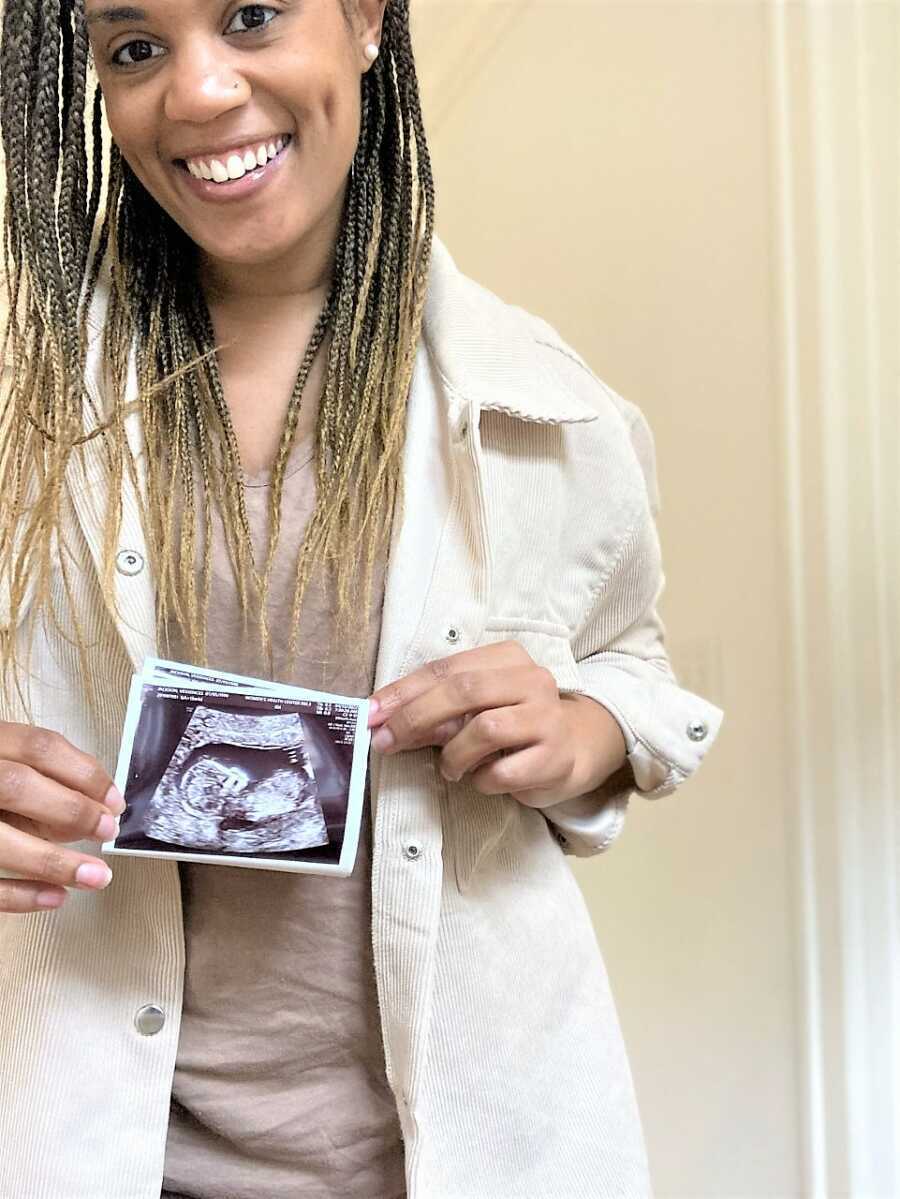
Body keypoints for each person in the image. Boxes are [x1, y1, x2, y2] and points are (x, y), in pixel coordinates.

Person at [0, 2, 723, 1197]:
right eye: (134, 47)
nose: (196, 92)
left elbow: (633, 672)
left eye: (251, 15)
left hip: (467, 1145)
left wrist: (580, 730)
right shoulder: (31, 411)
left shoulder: (547, 412)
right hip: (95, 1141)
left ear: (368, 19)